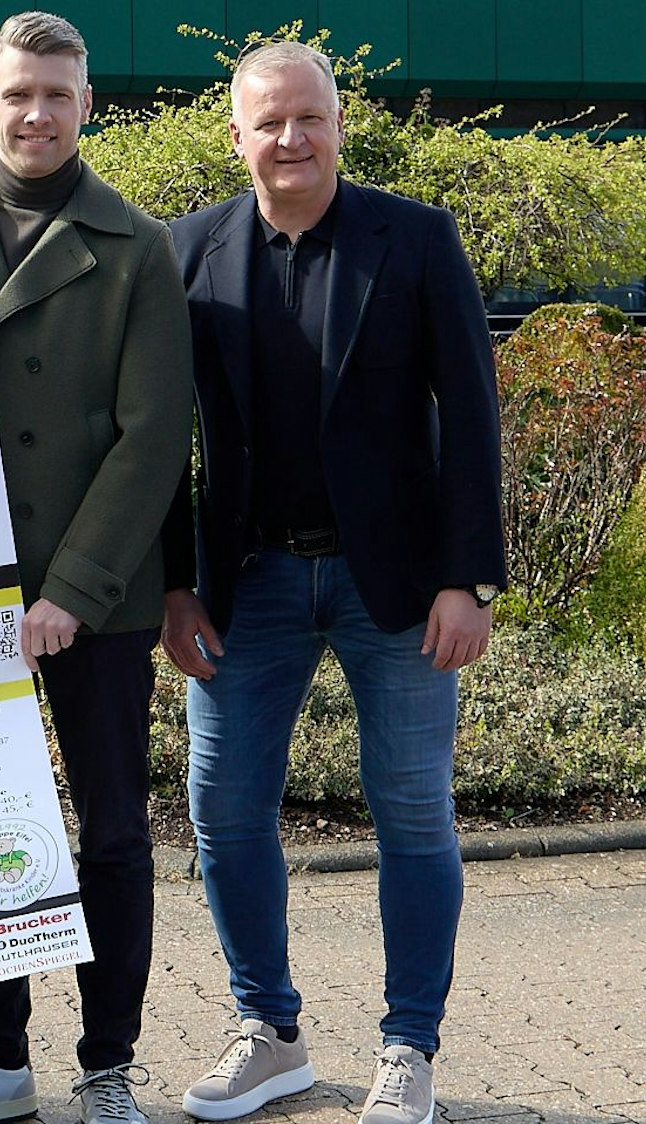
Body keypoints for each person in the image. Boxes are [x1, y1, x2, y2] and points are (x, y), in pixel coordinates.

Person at [160, 41, 505, 1124]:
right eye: (270, 122)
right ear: (237, 136)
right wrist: (176, 585)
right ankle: (270, 1031)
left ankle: (410, 1045)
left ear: (339, 124)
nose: (292, 140)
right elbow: (162, 437)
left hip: (394, 581)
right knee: (221, 808)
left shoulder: (418, 237)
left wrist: (469, 579)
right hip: (246, 580)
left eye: (310, 118)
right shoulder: (188, 251)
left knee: (411, 809)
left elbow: (474, 419)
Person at [0, 12, 193, 1124]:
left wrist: (73, 587)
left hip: (95, 599)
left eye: (57, 94)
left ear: (87, 102)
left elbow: (154, 433)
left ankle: (107, 1061)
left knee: (111, 827)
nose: (36, 113)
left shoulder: (138, 243)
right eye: (18, 93)